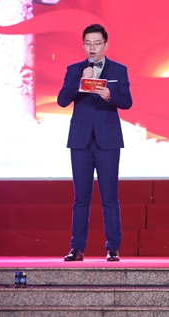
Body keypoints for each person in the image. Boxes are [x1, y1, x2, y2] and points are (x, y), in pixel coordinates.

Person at [57, 24, 132, 262]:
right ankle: (76, 248)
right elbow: (62, 100)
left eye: (97, 43)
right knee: (81, 197)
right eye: (88, 43)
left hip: (108, 140)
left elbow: (127, 102)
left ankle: (113, 248)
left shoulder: (118, 70)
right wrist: (79, 82)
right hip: (80, 140)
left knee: (109, 196)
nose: (92, 47)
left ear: (105, 45)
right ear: (83, 45)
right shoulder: (74, 70)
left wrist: (110, 96)